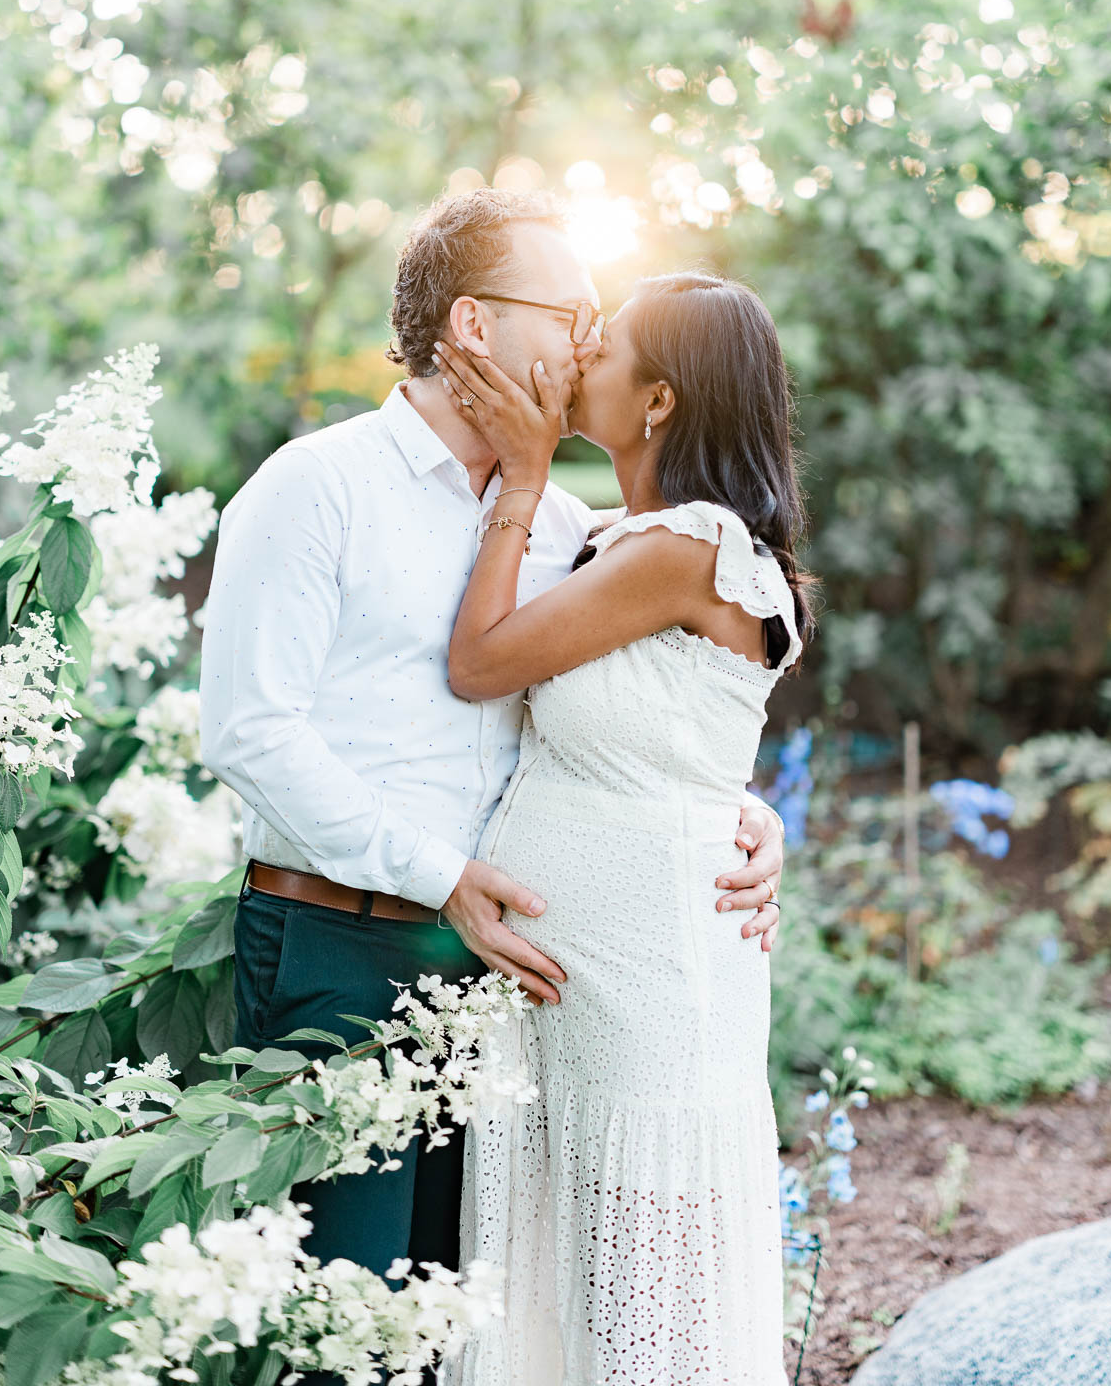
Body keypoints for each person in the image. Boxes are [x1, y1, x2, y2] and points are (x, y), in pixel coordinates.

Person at [197, 192, 787, 1386]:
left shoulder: (567, 522)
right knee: (341, 1331)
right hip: (337, 946)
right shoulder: (317, 488)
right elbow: (250, 731)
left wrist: (743, 810)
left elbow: (647, 712)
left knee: (473, 1334)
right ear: (471, 324)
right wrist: (442, 878)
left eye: (594, 326)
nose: (581, 342)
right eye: (566, 313)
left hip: (509, 990)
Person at [432, 271, 815, 1386]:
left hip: (647, 984)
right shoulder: (616, 540)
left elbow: (479, 664)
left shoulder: (690, 546)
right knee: (569, 1287)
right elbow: (669, 741)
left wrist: (523, 471)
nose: (575, 355)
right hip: (570, 978)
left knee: (642, 1302)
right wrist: (748, 808)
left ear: (657, 401)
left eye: (602, 349)